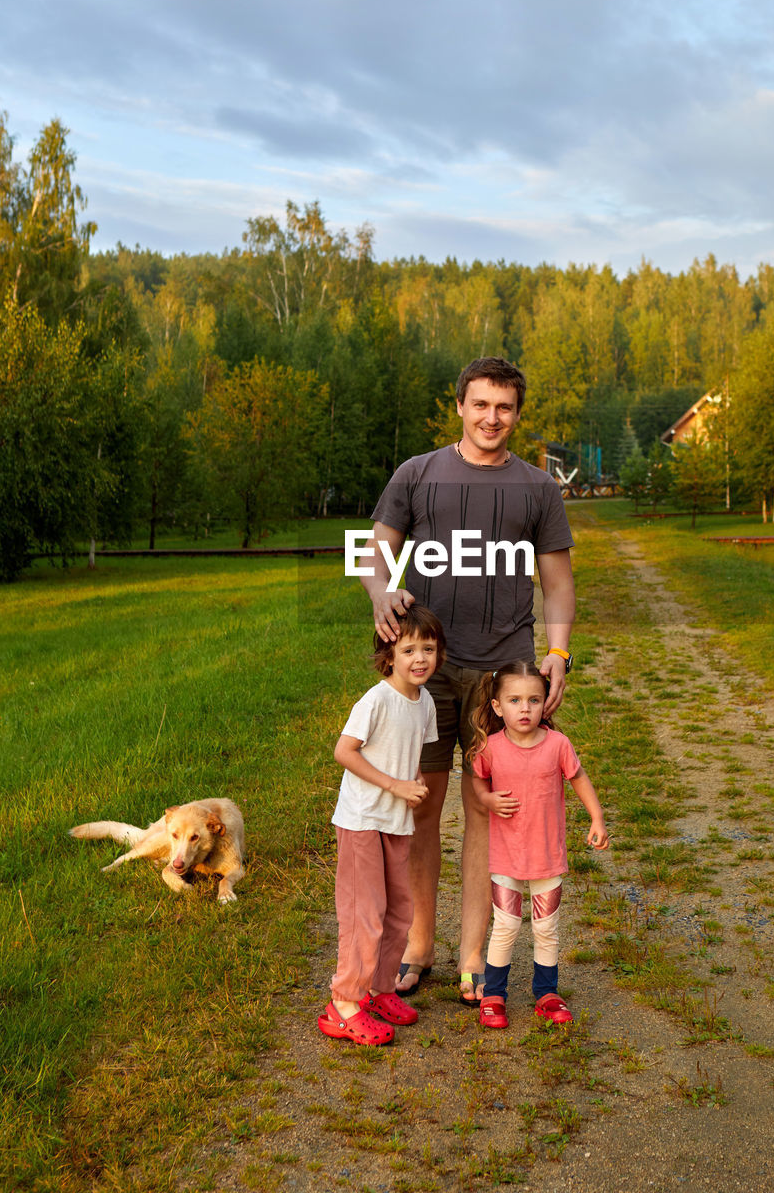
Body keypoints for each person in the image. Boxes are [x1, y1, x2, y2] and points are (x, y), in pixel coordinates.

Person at [360, 356, 575, 1006]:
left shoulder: (537, 489)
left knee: (486, 813)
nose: (492, 418)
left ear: (517, 413)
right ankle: (420, 945)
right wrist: (378, 593)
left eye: (504, 407)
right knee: (420, 809)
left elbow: (559, 582)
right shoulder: (416, 474)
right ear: (458, 405)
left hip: (501, 677)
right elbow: (373, 550)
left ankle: (475, 955)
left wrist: (558, 652)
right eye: (480, 405)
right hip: (423, 671)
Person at [318, 603, 446, 1046]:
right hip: (361, 821)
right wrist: (395, 785)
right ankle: (344, 1004)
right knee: (363, 915)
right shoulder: (375, 700)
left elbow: (414, 755)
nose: (420, 659)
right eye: (408, 649)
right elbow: (345, 752)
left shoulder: (424, 701)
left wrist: (411, 786)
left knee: (398, 912)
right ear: (388, 656)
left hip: (396, 821)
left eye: (428, 649)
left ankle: (379, 988)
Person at [469, 661, 609, 1029]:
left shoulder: (557, 745)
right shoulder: (491, 748)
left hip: (547, 856)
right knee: (506, 926)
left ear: (546, 702)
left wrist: (597, 818)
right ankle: (495, 994)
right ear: (498, 707)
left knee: (547, 928)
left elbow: (579, 778)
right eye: (514, 700)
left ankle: (546, 992)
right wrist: (487, 800)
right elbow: (478, 782)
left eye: (534, 699)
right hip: (506, 857)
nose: (525, 708)